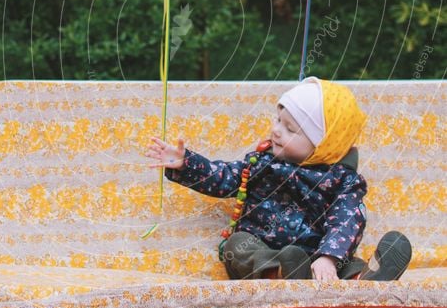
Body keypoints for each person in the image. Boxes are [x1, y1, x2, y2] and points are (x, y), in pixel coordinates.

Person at [145, 77, 412, 282]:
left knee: (346, 263)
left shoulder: (341, 181)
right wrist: (187, 162)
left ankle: (366, 279)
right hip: (261, 248)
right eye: (278, 120)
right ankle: (277, 273)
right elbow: (225, 177)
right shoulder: (262, 163)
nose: (276, 130)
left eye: (290, 128)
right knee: (237, 245)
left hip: (315, 257)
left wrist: (329, 257)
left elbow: (347, 221)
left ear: (322, 145)